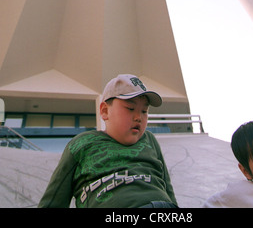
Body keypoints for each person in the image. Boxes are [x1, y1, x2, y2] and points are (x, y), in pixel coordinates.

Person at [38, 74, 178, 208]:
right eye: (130, 108)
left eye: (144, 111)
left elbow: (168, 190)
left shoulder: (149, 140)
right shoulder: (81, 144)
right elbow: (53, 201)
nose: (138, 117)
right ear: (105, 111)